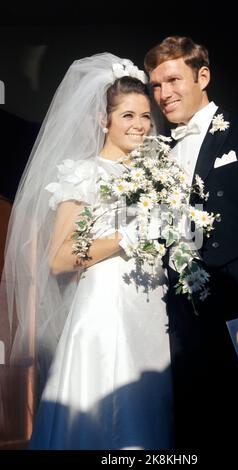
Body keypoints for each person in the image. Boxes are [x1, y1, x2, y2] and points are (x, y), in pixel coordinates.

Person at [0, 53, 173, 450]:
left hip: (151, 312)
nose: (141, 126)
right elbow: (59, 258)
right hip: (106, 313)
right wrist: (124, 239)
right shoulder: (85, 174)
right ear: (104, 120)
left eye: (146, 116)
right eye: (128, 116)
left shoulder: (157, 175)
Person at [144, 36, 238, 460]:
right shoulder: (158, 153)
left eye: (173, 79)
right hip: (180, 323)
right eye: (156, 85)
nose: (164, 94)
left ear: (203, 76)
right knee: (194, 426)